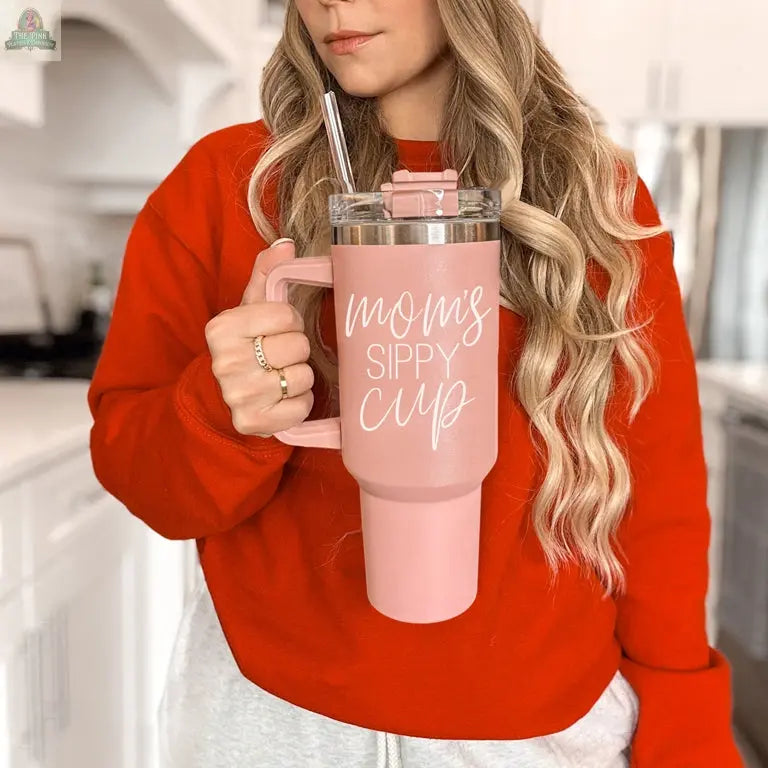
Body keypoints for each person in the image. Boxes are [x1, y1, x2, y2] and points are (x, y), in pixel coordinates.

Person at [87, 1, 744, 766]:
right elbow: (145, 478)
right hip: (270, 718)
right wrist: (224, 413)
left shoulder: (597, 200)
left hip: (539, 731)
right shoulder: (225, 186)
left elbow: (656, 499)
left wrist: (684, 723)